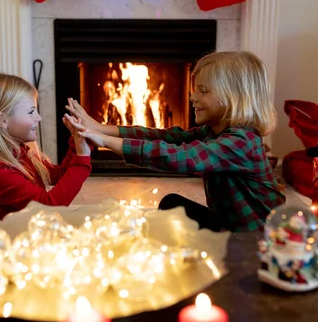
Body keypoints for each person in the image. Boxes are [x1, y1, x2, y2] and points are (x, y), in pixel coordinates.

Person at [65, 51, 285, 232]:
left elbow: (181, 157)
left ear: (234, 98)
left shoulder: (242, 141)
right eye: (195, 88)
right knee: (172, 205)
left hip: (259, 241)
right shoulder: (213, 132)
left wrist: (103, 140)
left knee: (172, 218)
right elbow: (163, 137)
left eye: (204, 90)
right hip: (231, 228)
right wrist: (100, 128)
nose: (193, 96)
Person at [0, 73, 92, 220]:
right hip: (10, 240)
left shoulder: (21, 155)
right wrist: (82, 159)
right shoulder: (0, 171)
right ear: (3, 120)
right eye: (31, 111)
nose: (39, 117)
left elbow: (60, 176)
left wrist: (76, 144)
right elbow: (49, 206)